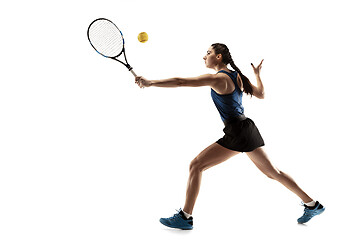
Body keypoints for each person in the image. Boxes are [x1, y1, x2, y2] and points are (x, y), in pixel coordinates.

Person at [135, 43, 325, 230]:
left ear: (218, 57)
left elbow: (181, 82)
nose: (204, 56)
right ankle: (312, 204)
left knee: (196, 165)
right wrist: (257, 76)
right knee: (273, 173)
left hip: (238, 131)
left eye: (208, 53)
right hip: (247, 128)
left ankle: (185, 217)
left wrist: (151, 82)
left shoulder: (218, 79)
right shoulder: (238, 76)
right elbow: (261, 94)